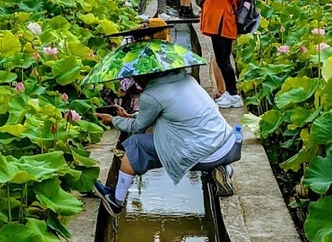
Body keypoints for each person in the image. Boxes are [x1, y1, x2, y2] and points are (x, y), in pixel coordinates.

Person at [93, 69, 240, 216]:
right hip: (227, 145)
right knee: (179, 134)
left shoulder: (152, 94)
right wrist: (131, 116)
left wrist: (113, 120)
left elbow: (138, 128)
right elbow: (172, 112)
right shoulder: (186, 79)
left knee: (136, 144)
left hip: (203, 154)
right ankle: (220, 170)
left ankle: (116, 201)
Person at [192, 0, 246, 108]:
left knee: (223, 60)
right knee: (222, 59)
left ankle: (233, 95)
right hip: (218, 21)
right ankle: (231, 94)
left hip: (224, 21)